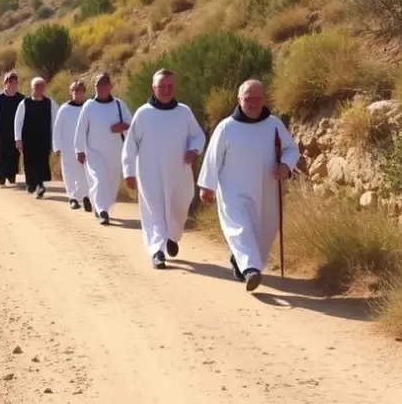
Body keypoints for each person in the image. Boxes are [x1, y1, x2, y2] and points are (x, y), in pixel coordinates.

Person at [197, 79, 300, 292]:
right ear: (239, 100)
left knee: (265, 231)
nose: (253, 103)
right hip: (234, 192)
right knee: (240, 228)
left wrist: (285, 166)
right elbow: (212, 158)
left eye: (257, 99)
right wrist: (207, 186)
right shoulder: (226, 127)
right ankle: (251, 269)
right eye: (248, 99)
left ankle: (242, 261)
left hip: (267, 191)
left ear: (264, 99)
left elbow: (291, 150)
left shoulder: (274, 124)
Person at [123, 69, 207, 269]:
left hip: (179, 173)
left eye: (170, 86)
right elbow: (130, 144)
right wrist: (129, 172)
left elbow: (198, 136)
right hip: (150, 174)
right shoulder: (143, 113)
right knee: (154, 212)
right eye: (162, 86)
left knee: (179, 208)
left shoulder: (184, 112)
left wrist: (194, 151)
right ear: (154, 88)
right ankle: (157, 251)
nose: (167, 90)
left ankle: (172, 236)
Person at [73, 73, 131, 225]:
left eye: (103, 84)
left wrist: (122, 127)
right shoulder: (89, 106)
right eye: (97, 85)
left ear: (110, 87)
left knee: (111, 182)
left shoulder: (119, 104)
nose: (100, 88)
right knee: (99, 180)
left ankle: (101, 205)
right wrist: (79, 150)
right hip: (94, 151)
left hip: (115, 152)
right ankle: (102, 210)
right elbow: (81, 129)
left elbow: (131, 125)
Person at [13, 76, 57, 197]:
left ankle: (40, 185)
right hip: (28, 139)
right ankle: (32, 184)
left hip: (44, 139)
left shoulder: (50, 103)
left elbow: (56, 122)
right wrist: (18, 139)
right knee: (30, 162)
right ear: (32, 88)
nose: (39, 89)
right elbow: (18, 122)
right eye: (36, 87)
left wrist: (55, 140)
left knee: (42, 161)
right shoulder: (24, 103)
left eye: (41, 86)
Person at [53, 80, 92, 212]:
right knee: (69, 173)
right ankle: (73, 198)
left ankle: (86, 196)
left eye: (80, 91)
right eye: (75, 91)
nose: (77, 93)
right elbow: (57, 128)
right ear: (71, 93)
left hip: (85, 146)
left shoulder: (89, 107)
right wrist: (57, 146)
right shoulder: (64, 109)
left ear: (84, 92)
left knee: (85, 173)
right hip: (67, 146)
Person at [0, 71, 25, 186]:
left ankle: (11, 177)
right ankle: (2, 178)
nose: (12, 84)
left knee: (14, 155)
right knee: (2, 155)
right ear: (5, 83)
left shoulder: (21, 98)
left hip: (15, 132)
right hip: (1, 132)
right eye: (10, 82)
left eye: (14, 82)